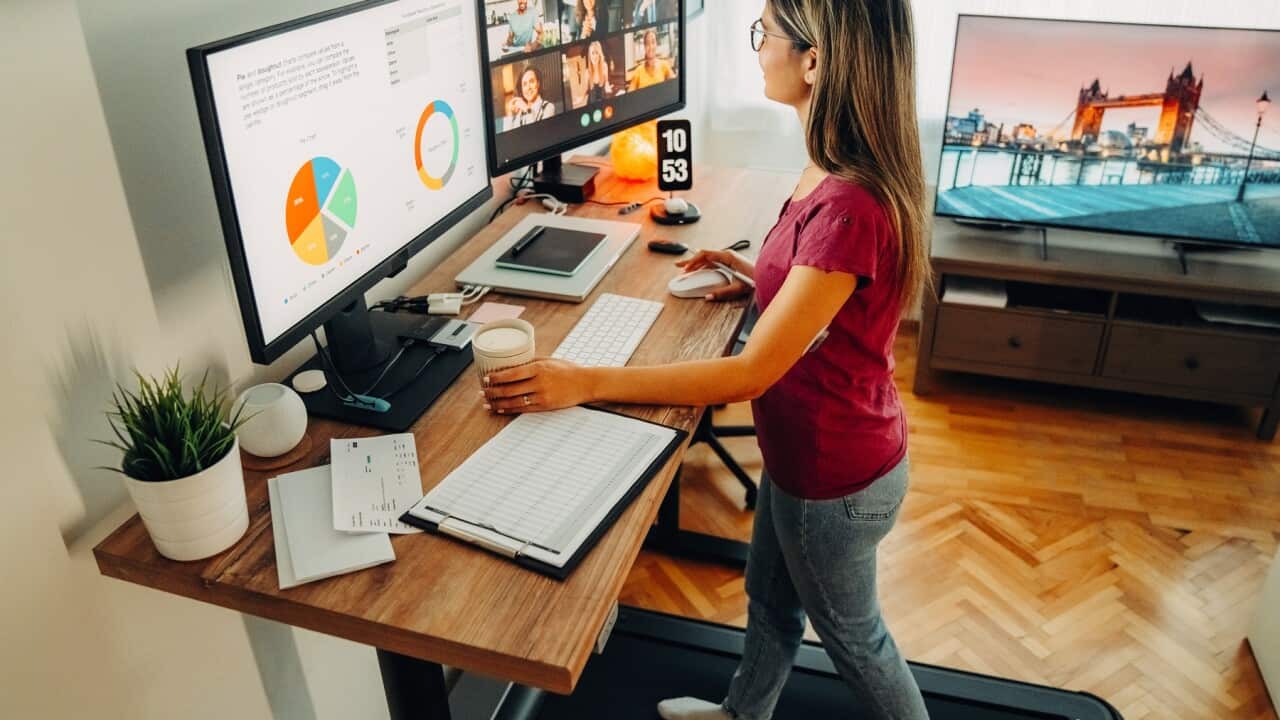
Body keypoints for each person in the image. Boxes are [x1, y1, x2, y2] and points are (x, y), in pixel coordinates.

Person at [481, 0, 930, 718]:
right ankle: (739, 714)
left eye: (766, 35)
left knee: (856, 639)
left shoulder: (850, 204)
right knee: (769, 603)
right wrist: (755, 276)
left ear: (814, 60)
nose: (758, 49)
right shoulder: (831, 168)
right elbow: (828, 308)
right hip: (806, 451)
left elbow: (749, 372)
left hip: (834, 477)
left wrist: (583, 381)